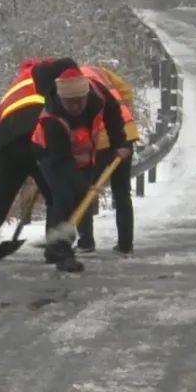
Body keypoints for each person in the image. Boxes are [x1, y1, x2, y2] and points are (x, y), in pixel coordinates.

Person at [32, 61, 130, 272]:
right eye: (70, 103)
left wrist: (120, 143)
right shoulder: (53, 118)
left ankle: (54, 247)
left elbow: (113, 114)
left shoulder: (98, 96)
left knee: (77, 200)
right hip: (51, 155)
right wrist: (85, 186)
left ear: (86, 96)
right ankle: (62, 253)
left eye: (79, 101)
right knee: (64, 195)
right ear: (61, 98)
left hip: (84, 153)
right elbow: (64, 162)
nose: (75, 107)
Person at [0, 57, 54, 262]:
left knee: (3, 194)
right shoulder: (46, 79)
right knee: (54, 195)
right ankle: (56, 246)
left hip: (6, 142)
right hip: (35, 137)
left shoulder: (15, 85)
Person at [78, 65, 140, 255]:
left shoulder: (70, 84)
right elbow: (126, 91)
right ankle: (125, 244)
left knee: (85, 191)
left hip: (100, 142)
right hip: (125, 134)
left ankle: (86, 242)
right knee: (122, 192)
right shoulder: (98, 71)